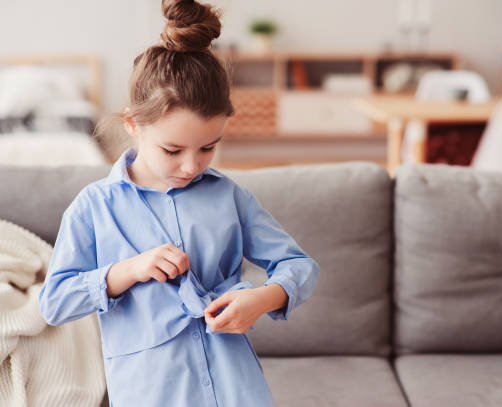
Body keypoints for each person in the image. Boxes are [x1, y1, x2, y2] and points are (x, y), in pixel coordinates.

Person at [38, 1, 320, 406]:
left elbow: (300, 266)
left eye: (208, 147)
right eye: (172, 149)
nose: (191, 166)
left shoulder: (229, 197)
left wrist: (262, 298)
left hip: (236, 387)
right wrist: (128, 270)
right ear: (134, 125)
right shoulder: (94, 207)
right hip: (149, 390)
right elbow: (55, 302)